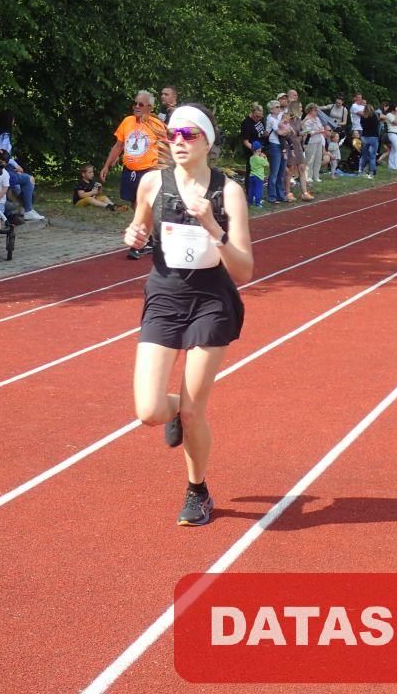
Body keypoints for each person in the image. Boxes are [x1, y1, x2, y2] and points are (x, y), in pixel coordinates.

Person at [123, 104, 253, 527]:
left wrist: (213, 226)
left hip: (210, 301)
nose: (178, 141)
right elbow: (140, 230)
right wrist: (134, 236)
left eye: (188, 134)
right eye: (173, 134)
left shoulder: (227, 192)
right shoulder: (152, 183)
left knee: (197, 413)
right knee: (148, 411)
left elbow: (244, 270)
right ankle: (178, 407)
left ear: (207, 142)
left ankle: (198, 491)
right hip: (164, 298)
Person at [100, 90, 166, 258]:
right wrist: (107, 165)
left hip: (149, 170)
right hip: (130, 170)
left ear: (149, 107)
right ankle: (150, 237)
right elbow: (118, 145)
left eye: (140, 104)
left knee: (142, 205)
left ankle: (140, 242)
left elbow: (167, 147)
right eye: (135, 103)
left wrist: (163, 169)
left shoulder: (156, 125)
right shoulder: (127, 121)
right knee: (134, 203)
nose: (136, 106)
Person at [0, 110, 45, 221]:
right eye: (13, 119)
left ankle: (21, 209)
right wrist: (16, 165)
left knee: (18, 187)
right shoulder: (4, 136)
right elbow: (2, 154)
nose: (14, 122)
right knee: (29, 179)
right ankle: (28, 210)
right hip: (3, 171)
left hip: (0, 169)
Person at [264, 100, 287, 204]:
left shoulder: (279, 117)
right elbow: (280, 132)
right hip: (274, 145)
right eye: (277, 107)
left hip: (282, 145)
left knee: (281, 172)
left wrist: (286, 130)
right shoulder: (271, 119)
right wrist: (286, 130)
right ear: (271, 109)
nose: (279, 108)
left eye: (279, 106)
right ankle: (272, 196)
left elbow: (288, 130)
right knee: (274, 172)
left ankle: (280, 195)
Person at [302, 102, 328, 186]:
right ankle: (308, 176)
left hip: (319, 140)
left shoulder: (317, 118)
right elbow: (308, 132)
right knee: (310, 159)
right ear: (310, 110)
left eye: (317, 110)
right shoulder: (306, 120)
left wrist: (320, 130)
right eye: (315, 110)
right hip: (311, 141)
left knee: (318, 158)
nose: (317, 112)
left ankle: (316, 176)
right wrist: (318, 131)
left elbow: (321, 127)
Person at [246, 141, 269, 207]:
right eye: (260, 148)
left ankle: (250, 202)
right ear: (258, 150)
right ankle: (258, 203)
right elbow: (267, 165)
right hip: (259, 177)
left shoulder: (251, 158)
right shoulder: (260, 159)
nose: (261, 149)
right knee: (258, 190)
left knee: (251, 189)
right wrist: (265, 157)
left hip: (251, 176)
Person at [360, 103, 381, 178]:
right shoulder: (375, 117)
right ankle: (372, 172)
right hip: (373, 137)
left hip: (364, 137)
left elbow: (362, 126)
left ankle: (361, 170)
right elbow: (377, 126)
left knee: (364, 155)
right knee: (372, 156)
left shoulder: (363, 117)